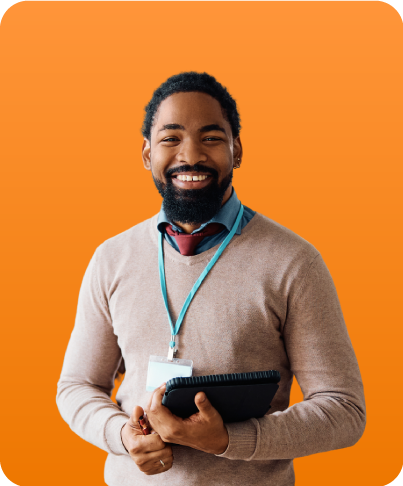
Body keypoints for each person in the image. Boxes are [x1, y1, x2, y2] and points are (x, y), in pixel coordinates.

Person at [56, 71, 366, 486]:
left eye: (211, 137)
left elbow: (344, 410)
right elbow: (77, 386)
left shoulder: (294, 262)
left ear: (237, 150)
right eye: (171, 138)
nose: (191, 155)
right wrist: (122, 435)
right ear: (147, 154)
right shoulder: (112, 258)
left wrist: (228, 440)